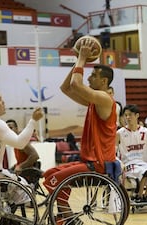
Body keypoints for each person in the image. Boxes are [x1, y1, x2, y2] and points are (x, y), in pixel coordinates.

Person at [44, 39, 117, 224]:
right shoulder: (94, 100)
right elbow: (66, 88)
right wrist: (78, 60)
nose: (89, 78)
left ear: (104, 80)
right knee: (49, 173)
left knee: (52, 179)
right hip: (88, 161)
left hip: (98, 164)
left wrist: (82, 59)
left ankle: (68, 217)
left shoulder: (104, 99)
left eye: (93, 75)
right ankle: (65, 215)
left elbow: (77, 85)